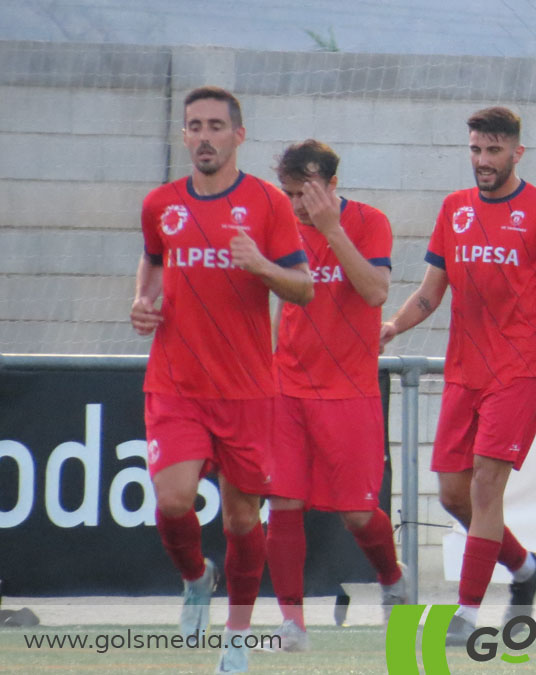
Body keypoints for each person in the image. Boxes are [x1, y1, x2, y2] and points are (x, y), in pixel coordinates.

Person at [379, 106, 536, 644]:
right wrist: (392, 326)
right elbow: (430, 294)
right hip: (464, 372)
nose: (483, 161)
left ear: (517, 152)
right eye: (477, 150)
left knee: (485, 486)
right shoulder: (454, 209)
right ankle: (527, 570)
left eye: (494, 151)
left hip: (518, 371)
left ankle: (465, 616)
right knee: (454, 495)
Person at [131, 86, 313, 673]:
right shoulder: (161, 202)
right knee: (173, 500)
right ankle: (194, 577)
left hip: (247, 389)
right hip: (176, 384)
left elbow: (304, 286)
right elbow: (155, 259)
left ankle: (235, 639)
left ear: (238, 135)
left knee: (240, 520)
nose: (203, 136)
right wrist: (141, 300)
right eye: (193, 126)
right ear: (183, 136)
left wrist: (260, 264)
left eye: (215, 126)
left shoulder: (267, 204)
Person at [264, 139, 403, 652]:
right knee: (283, 503)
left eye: (306, 193)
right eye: (289, 193)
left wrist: (332, 231)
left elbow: (375, 291)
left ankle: (392, 579)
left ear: (333, 186)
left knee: (358, 515)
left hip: (349, 389)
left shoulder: (369, 222)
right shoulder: (278, 225)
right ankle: (292, 625)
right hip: (287, 387)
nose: (298, 205)